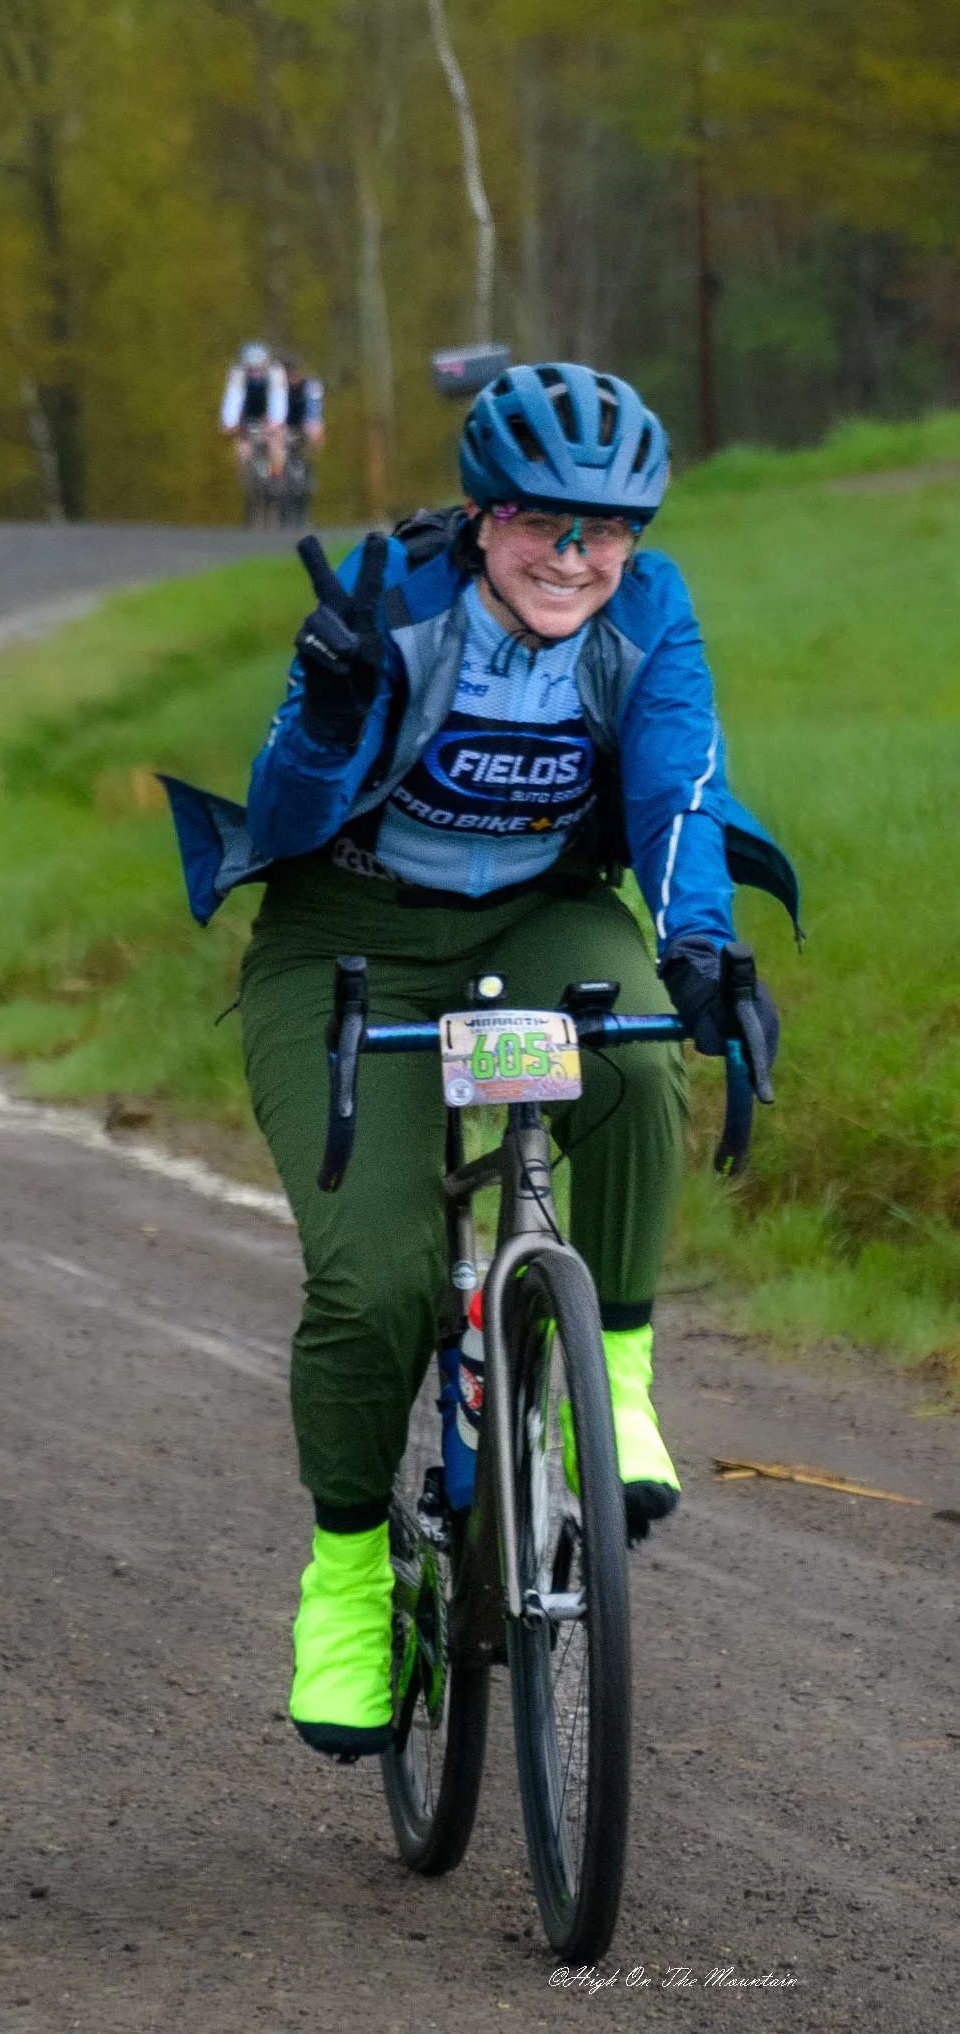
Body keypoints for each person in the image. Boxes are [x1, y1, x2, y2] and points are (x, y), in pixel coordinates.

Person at [163, 362, 798, 1759]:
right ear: (478, 513)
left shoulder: (644, 610)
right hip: (347, 931)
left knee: (636, 1063)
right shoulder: (388, 594)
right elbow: (286, 806)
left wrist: (698, 946)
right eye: (540, 524)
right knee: (374, 1280)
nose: (573, 557)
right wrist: (327, 715)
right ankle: (343, 1578)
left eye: (606, 528)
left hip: (540, 914)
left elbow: (676, 783)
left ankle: (612, 1378)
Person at [220, 341, 289, 487]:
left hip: (268, 415)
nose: (255, 373)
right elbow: (233, 399)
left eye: (258, 369)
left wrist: (275, 422)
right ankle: (245, 483)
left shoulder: (275, 373)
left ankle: (277, 478)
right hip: (249, 416)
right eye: (251, 369)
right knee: (242, 449)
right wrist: (229, 423)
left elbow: (279, 400)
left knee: (276, 441)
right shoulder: (237, 374)